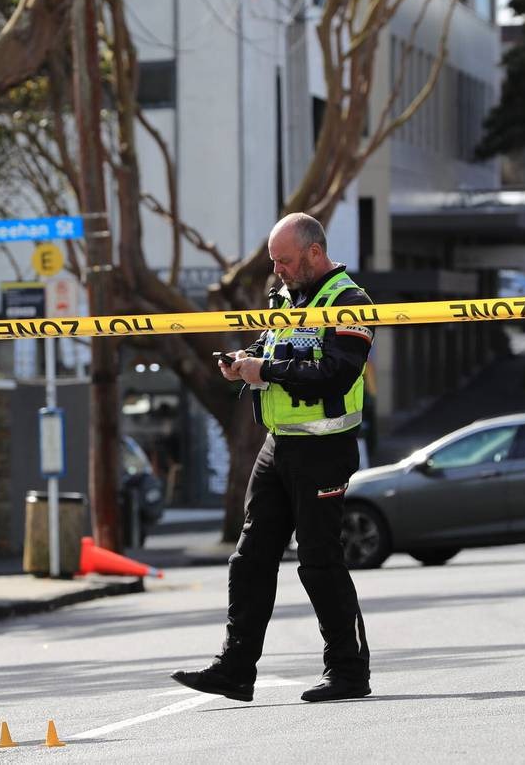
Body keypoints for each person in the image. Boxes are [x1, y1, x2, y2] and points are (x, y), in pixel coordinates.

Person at [172, 212, 374, 704]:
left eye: (284, 261)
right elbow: (269, 347)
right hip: (278, 444)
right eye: (273, 262)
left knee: (319, 560)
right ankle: (235, 670)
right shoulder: (283, 296)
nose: (277, 270)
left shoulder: (350, 301)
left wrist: (267, 370)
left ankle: (348, 671)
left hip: (323, 447)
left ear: (313, 252)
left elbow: (336, 374)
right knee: (249, 559)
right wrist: (243, 363)